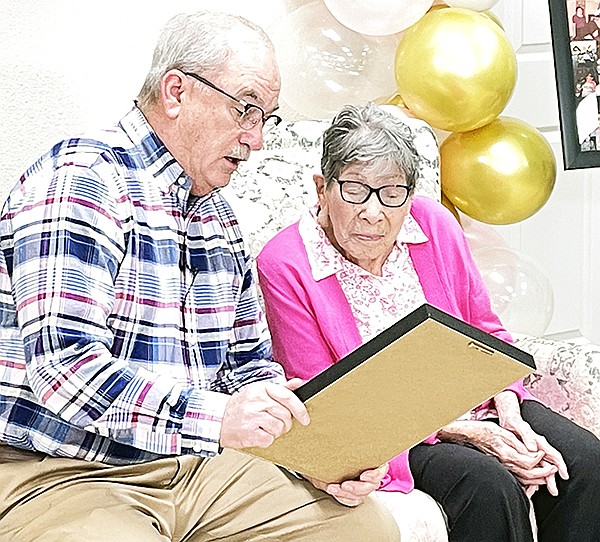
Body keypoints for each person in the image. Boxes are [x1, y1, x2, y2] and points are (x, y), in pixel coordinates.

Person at [0, 13, 400, 542]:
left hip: (192, 465)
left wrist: (315, 447)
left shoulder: (219, 218)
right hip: (55, 470)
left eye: (267, 119)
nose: (256, 139)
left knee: (364, 528)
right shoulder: (83, 180)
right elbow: (64, 368)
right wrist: (218, 419)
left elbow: (248, 366)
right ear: (176, 92)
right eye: (247, 109)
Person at [257, 103, 600, 542]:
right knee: (487, 485)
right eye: (355, 190)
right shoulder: (285, 264)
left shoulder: (432, 224)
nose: (373, 212)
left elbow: (486, 331)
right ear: (322, 188)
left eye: (392, 193)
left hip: (478, 404)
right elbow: (326, 403)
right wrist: (467, 433)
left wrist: (511, 415)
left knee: (584, 462)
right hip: (390, 434)